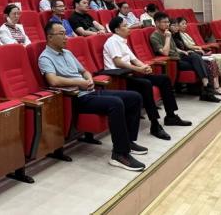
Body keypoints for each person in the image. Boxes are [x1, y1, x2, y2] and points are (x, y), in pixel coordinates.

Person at [39, 21, 147, 171]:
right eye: (62, 34)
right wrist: (80, 83)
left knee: (134, 97)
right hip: (76, 98)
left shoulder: (68, 53)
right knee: (116, 103)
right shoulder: (45, 58)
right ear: (50, 37)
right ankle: (119, 154)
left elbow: (84, 71)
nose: (66, 37)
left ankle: (128, 142)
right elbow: (53, 80)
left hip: (89, 90)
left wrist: (89, 79)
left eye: (65, 33)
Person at [105, 16, 192, 140]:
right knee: (145, 84)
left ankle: (171, 116)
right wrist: (138, 69)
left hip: (130, 73)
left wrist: (144, 67)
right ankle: (155, 125)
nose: (128, 27)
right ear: (117, 30)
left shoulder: (123, 42)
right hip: (119, 78)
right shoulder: (112, 41)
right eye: (125, 26)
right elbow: (118, 63)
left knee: (164, 79)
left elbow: (134, 59)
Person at [149, 12, 220, 103]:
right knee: (203, 64)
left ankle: (207, 89)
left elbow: (175, 48)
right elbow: (165, 53)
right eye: (164, 22)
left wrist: (184, 51)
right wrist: (167, 38)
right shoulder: (154, 36)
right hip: (173, 61)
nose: (167, 24)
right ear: (157, 23)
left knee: (195, 55)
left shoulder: (167, 33)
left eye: (168, 22)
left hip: (180, 56)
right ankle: (207, 91)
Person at [170, 19, 221, 97]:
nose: (176, 27)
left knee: (205, 61)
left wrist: (187, 51)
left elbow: (183, 47)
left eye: (177, 25)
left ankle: (211, 88)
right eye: (174, 25)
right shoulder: (168, 36)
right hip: (177, 59)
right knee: (200, 61)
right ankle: (209, 88)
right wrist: (185, 51)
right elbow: (173, 49)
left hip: (184, 56)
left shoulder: (177, 35)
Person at [177, 17, 221, 90]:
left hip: (198, 52)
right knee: (217, 59)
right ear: (177, 25)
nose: (185, 25)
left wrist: (198, 48)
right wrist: (198, 48)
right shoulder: (179, 35)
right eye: (182, 24)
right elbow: (188, 46)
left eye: (185, 24)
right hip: (195, 54)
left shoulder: (186, 34)